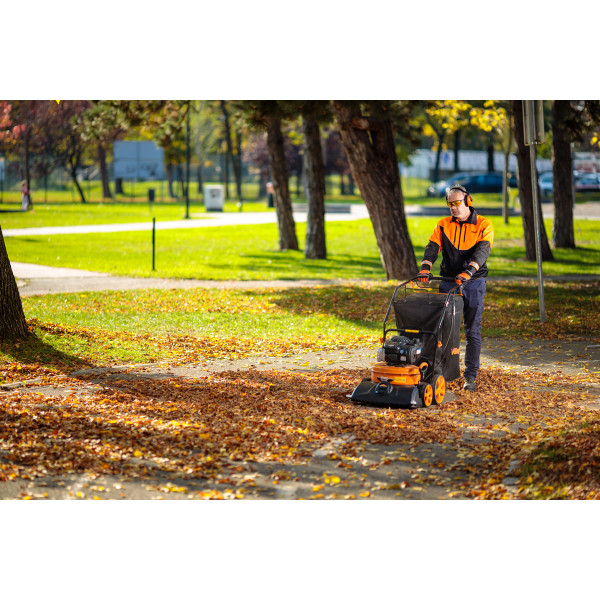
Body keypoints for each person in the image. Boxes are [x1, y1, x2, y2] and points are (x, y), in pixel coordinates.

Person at [417, 184, 494, 392]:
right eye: (450, 204)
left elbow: (482, 252)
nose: (453, 207)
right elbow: (432, 247)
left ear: (468, 201)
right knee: (443, 330)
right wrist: (425, 268)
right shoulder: (443, 225)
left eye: (457, 203)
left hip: (474, 283)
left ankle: (470, 377)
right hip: (449, 282)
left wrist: (469, 272)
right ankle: (441, 372)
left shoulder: (483, 225)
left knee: (472, 331)